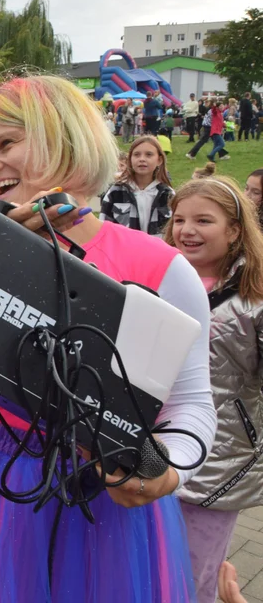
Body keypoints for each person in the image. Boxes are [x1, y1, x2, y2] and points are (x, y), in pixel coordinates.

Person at [0, 75, 216, 602]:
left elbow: (192, 402)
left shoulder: (161, 267)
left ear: (67, 140)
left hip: (97, 499)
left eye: (7, 143)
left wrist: (165, 467)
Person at [163, 177, 263, 603]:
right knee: (156, 567)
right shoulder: (161, 281)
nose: (187, 230)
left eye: (204, 220)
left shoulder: (253, 300)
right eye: (179, 218)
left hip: (218, 464)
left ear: (235, 230)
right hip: (158, 447)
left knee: (194, 578)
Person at [100, 135, 174, 236]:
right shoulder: (116, 191)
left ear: (159, 160)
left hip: (157, 250)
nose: (142, 159)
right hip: (124, 249)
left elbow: (173, 231)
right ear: (129, 159)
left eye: (149, 154)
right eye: (137, 155)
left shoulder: (167, 194)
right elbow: (104, 227)